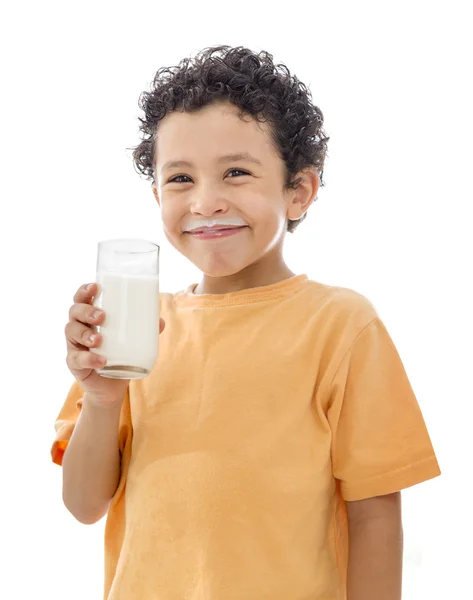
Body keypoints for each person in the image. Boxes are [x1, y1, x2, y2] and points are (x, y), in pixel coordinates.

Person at [51, 45, 441, 600]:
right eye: (180, 178)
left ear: (299, 191)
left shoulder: (340, 326)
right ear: (158, 193)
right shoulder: (136, 330)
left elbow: (376, 519)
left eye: (236, 172)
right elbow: (84, 505)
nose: (206, 202)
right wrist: (103, 398)